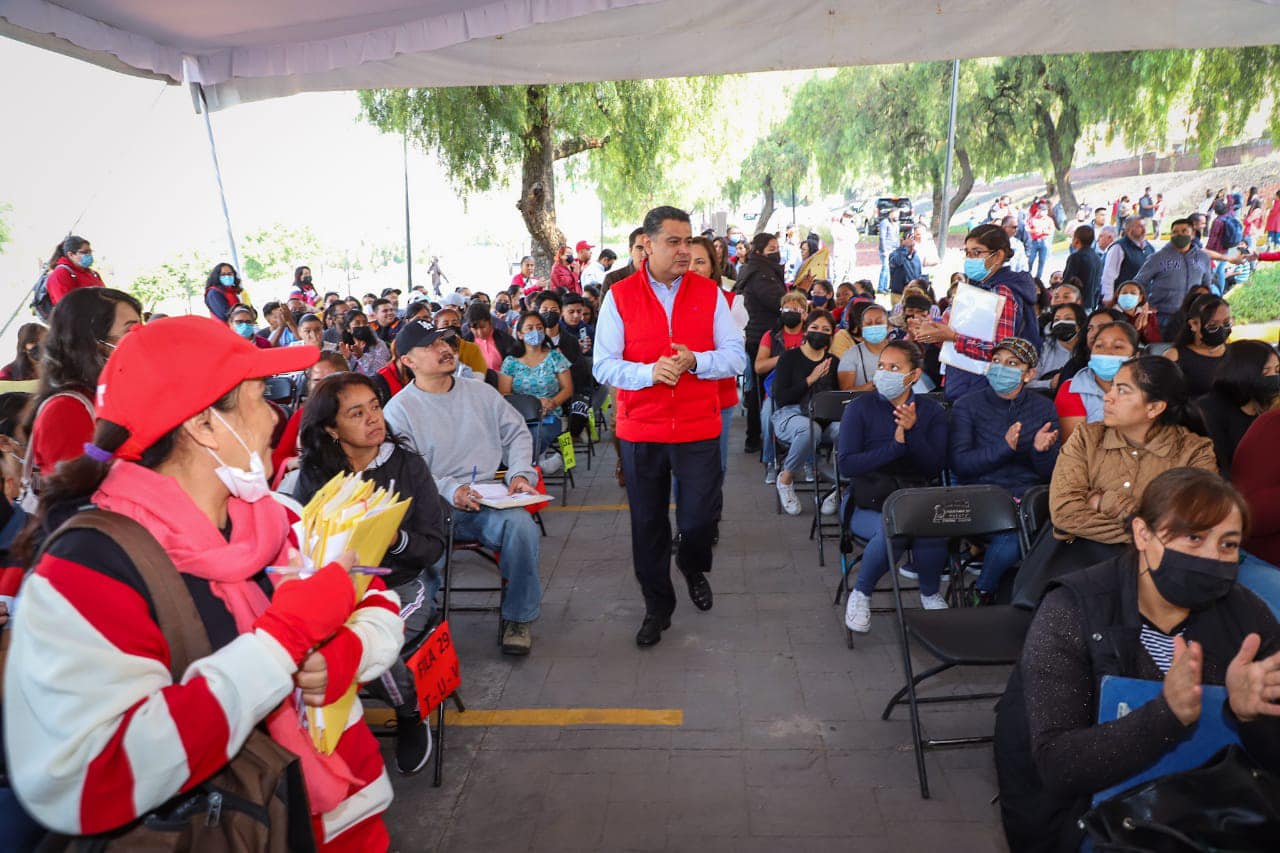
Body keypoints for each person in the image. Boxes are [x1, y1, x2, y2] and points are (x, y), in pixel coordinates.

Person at [5, 316, 400, 850]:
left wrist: (353, 651)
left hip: (345, 815)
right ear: (205, 425)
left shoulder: (276, 517)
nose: (277, 414)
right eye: (261, 395)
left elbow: (376, 594)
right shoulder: (90, 569)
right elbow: (86, 777)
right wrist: (282, 641)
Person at [996, 466, 1280, 852]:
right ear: (1142, 534)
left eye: (1228, 544)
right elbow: (1058, 765)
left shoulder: (1247, 618)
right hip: (1097, 821)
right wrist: (1167, 714)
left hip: (1213, 812)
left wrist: (1253, 718)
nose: (1213, 557)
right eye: (1193, 537)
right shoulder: (1074, 610)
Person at [592, 205, 747, 647]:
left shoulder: (709, 293)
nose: (684, 251)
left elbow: (736, 356)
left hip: (698, 426)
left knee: (699, 520)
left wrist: (696, 361)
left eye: (688, 241)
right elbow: (603, 365)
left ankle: (693, 564)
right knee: (648, 523)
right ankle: (658, 606)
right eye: (674, 242)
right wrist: (648, 373)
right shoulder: (619, 296)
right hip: (641, 429)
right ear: (648, 244)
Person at [293, 372, 445, 776]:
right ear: (330, 428)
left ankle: (408, 711)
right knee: (308, 643)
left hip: (403, 585)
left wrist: (394, 539)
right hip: (337, 590)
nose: (374, 419)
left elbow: (433, 545)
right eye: (357, 413)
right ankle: (323, 735)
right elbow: (300, 541)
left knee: (373, 644)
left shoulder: (407, 465)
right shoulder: (315, 473)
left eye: (375, 407)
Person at [383, 320, 542, 654]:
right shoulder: (399, 409)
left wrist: (519, 474)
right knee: (416, 547)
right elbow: (409, 469)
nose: (444, 349)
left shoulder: (481, 392)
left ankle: (518, 616)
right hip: (431, 506)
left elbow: (516, 434)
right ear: (408, 361)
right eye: (430, 345)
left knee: (522, 529)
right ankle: (422, 622)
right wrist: (449, 489)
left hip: (488, 499)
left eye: (444, 341)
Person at [1049, 356, 1216, 555]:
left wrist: (1104, 501)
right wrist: (1153, 534)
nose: (1107, 397)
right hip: (1080, 561)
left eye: (1122, 390)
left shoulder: (1195, 453)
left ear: (1154, 408)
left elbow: (1190, 525)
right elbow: (1065, 512)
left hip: (1159, 570)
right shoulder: (1086, 438)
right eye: (1112, 387)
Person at [839, 341, 949, 633]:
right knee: (894, 526)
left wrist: (912, 434)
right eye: (881, 366)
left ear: (913, 375)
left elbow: (933, 467)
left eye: (894, 367)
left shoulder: (931, 412)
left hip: (915, 499)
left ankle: (929, 592)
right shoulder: (860, 408)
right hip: (867, 502)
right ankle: (861, 593)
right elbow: (847, 465)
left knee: (932, 525)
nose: (884, 373)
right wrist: (896, 446)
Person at [949, 337, 1060, 604]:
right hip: (981, 493)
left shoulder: (1043, 407)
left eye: (1012, 363)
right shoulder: (967, 405)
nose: (1001, 368)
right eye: (996, 361)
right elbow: (961, 464)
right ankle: (984, 592)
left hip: (1028, 496)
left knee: (1060, 531)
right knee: (1012, 536)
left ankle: (1038, 597)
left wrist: (1040, 451)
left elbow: (1049, 473)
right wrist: (1005, 448)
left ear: (1029, 373)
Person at [24, 287, 142, 497]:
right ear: (94, 343)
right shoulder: (65, 411)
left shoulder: (112, 395)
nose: (141, 338)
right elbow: (73, 501)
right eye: (130, 331)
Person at [912, 224, 1042, 402]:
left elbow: (1002, 351)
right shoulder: (976, 288)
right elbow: (960, 335)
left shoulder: (1002, 292)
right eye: (967, 252)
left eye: (976, 252)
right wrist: (934, 332)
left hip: (986, 390)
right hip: (965, 384)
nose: (969, 258)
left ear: (998, 255)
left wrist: (954, 338)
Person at [770, 310, 841, 516]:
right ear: (806, 330)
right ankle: (786, 478)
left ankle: (839, 486)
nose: (820, 332)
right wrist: (810, 379)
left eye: (826, 329)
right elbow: (781, 397)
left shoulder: (833, 361)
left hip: (824, 417)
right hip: (791, 414)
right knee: (810, 430)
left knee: (846, 429)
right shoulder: (789, 357)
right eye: (815, 328)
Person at [688, 236, 740, 476]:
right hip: (680, 401)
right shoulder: (667, 302)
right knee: (684, 471)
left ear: (712, 266)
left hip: (718, 398)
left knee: (714, 468)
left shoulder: (732, 302)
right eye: (687, 261)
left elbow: (735, 358)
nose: (692, 268)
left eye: (699, 262)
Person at [1195, 339, 1280, 477]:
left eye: (1277, 370)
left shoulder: (1269, 403)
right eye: (1265, 372)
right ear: (1243, 373)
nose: (1274, 378)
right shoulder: (1209, 410)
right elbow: (1221, 466)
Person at [735, 231, 787, 455]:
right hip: (762, 337)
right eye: (771, 248)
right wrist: (799, 292)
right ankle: (756, 437)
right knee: (762, 389)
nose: (776, 252)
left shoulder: (760, 269)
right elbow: (777, 303)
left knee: (759, 388)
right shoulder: (761, 273)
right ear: (759, 251)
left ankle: (759, 435)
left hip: (761, 333)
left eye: (777, 247)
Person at [498, 312, 573, 457]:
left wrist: (552, 402)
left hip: (549, 416)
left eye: (539, 328)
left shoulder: (555, 357)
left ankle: (526, 467)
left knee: (534, 437)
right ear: (520, 334)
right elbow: (504, 394)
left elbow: (568, 388)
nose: (535, 332)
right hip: (519, 416)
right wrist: (531, 405)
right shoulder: (510, 362)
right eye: (530, 328)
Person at [1054, 321, 1140, 443]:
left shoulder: (1147, 390)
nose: (1107, 352)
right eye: (1099, 346)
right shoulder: (1072, 388)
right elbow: (1074, 447)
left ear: (1135, 356)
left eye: (1117, 347)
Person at [755, 290, 808, 483]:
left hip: (804, 390)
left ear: (804, 313)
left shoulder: (810, 336)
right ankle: (771, 461)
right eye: (787, 308)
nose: (791, 312)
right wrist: (785, 358)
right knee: (766, 415)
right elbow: (759, 366)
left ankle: (809, 463)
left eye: (796, 308)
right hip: (777, 391)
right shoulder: (772, 336)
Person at [1132, 218, 1215, 340]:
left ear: (1192, 234)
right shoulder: (1157, 257)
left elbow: (1206, 285)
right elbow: (1139, 282)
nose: (1179, 235)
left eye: (1184, 231)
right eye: (1175, 232)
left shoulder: (1203, 258)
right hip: (1163, 317)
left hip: (1192, 317)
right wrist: (1143, 303)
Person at [1164, 294, 1231, 398]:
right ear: (1194, 324)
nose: (1221, 329)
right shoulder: (1175, 357)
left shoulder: (1235, 353)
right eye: (1213, 325)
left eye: (1226, 323)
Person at [837, 302, 891, 392]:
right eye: (869, 323)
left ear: (888, 326)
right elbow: (846, 392)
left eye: (879, 322)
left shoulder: (899, 352)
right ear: (862, 327)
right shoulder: (851, 355)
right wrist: (875, 383)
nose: (874, 326)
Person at [1100, 217, 1155, 305]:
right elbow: (1108, 276)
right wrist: (1108, 298)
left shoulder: (1149, 248)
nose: (1144, 230)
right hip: (1124, 301)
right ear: (1129, 229)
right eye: (1140, 227)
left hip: (1143, 301)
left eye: (1145, 226)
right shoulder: (1118, 248)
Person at [1031, 303, 1086, 390]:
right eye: (1057, 320)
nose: (1061, 323)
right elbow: (1028, 383)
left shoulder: (1087, 349)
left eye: (1068, 318)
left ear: (1079, 325)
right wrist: (1049, 383)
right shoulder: (1044, 348)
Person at [44, 235, 105, 305]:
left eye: (90, 252)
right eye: (84, 252)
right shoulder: (60, 274)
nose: (89, 255)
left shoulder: (92, 273)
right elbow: (66, 307)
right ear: (71, 255)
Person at [1060, 225, 1102, 309]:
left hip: (1077, 303)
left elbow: (1067, 281)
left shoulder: (1076, 257)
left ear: (1076, 240)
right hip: (1091, 303)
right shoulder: (1097, 257)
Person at [604, 228, 647, 294]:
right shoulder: (613, 279)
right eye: (639, 248)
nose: (644, 254)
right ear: (630, 251)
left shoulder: (663, 279)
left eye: (649, 247)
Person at [887, 229, 922, 305]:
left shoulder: (916, 257)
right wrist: (904, 247)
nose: (911, 242)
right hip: (898, 294)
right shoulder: (894, 254)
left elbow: (918, 275)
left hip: (913, 293)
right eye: (908, 238)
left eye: (913, 239)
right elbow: (897, 261)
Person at [1026, 202, 1054, 281]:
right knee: (1031, 259)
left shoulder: (1049, 220)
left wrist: (1042, 231)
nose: (1044, 213)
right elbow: (1027, 229)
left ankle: (1038, 277)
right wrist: (1034, 230)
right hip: (1034, 241)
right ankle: (1028, 273)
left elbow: (1051, 231)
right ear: (1038, 210)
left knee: (1042, 260)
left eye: (1045, 211)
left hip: (1044, 241)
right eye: (1042, 211)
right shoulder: (1033, 219)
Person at [877, 208, 900, 293]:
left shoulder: (897, 223)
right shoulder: (884, 223)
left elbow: (897, 236)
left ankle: (886, 286)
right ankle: (880, 287)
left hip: (894, 249)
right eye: (895, 214)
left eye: (897, 214)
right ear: (890, 214)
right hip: (886, 249)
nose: (896, 216)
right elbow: (882, 237)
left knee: (891, 269)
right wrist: (884, 250)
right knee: (885, 268)